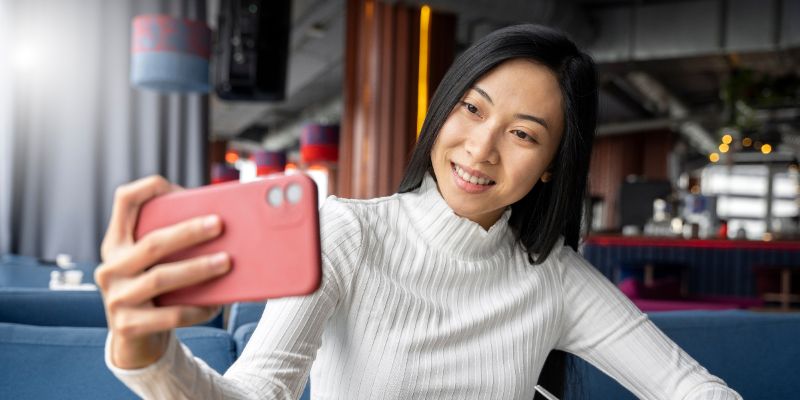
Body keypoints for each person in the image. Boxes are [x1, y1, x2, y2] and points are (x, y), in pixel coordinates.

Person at [96, 24, 741, 399]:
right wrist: (147, 354)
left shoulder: (553, 278)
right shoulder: (345, 233)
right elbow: (259, 390)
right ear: (444, 109)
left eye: (523, 134)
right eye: (472, 109)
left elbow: (695, 390)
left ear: (550, 164)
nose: (480, 149)